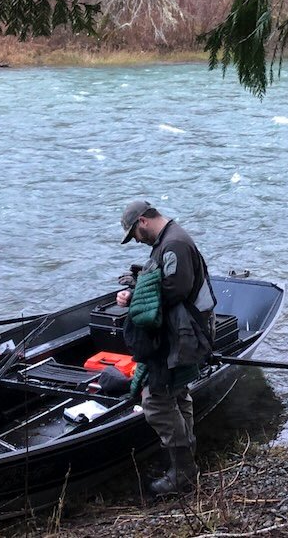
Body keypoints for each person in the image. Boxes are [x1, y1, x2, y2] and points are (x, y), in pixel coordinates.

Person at [115, 199, 215, 495]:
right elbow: (166, 281)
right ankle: (186, 464)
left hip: (183, 335)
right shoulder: (169, 241)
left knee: (156, 402)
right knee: (178, 394)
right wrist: (138, 282)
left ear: (142, 221)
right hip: (182, 333)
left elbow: (176, 289)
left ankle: (182, 473)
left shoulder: (174, 244)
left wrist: (134, 297)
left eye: (133, 232)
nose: (135, 239)